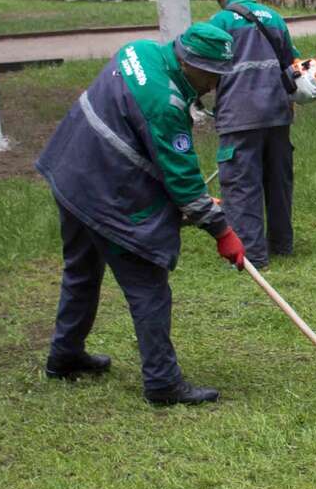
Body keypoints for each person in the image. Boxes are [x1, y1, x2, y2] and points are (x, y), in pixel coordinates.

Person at [34, 23, 247, 406]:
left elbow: (135, 146)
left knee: (81, 272)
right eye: (212, 75)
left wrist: (189, 204)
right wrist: (221, 231)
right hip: (101, 192)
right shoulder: (164, 103)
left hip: (70, 171)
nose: (214, 86)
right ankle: (163, 383)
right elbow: (180, 178)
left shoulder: (140, 51)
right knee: (148, 286)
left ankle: (64, 356)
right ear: (190, 63)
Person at [204, 0, 303, 269]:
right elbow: (292, 62)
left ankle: (252, 256)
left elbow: (205, 67)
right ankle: (282, 244)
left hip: (240, 116)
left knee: (241, 184)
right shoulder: (273, 17)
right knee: (278, 181)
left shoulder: (220, 22)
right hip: (277, 113)